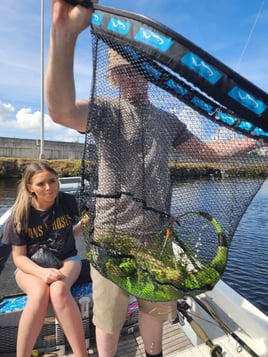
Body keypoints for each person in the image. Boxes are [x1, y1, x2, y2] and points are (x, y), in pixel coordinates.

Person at [45, 2, 260, 356]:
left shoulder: (166, 119)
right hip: (112, 237)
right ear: (111, 79)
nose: (129, 78)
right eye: (121, 73)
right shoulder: (106, 111)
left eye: (136, 69)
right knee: (109, 319)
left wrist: (255, 139)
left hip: (157, 236)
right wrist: (64, 35)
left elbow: (211, 151)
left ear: (149, 73)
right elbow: (62, 111)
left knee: (155, 311)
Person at [2, 161, 89, 357]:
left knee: (58, 290)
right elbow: (19, 257)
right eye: (41, 184)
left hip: (67, 260)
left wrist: (85, 221)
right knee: (39, 294)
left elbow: (73, 229)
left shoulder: (68, 202)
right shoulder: (20, 213)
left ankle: (81, 354)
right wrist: (42, 273)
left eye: (53, 181)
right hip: (31, 267)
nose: (49, 188)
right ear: (29, 187)